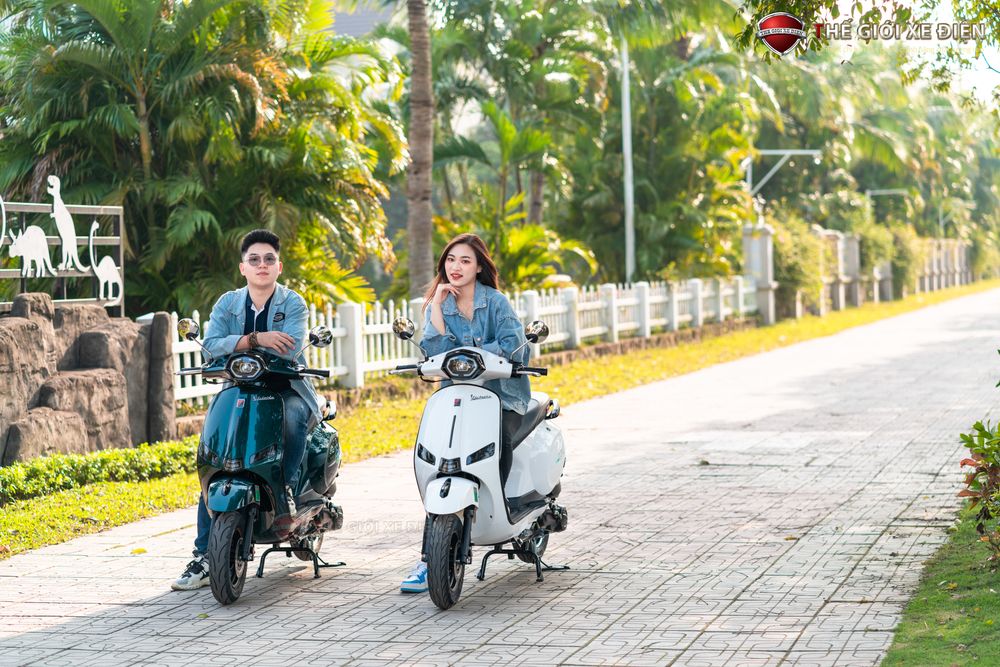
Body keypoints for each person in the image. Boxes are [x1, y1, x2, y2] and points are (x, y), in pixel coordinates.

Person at [172, 229, 323, 591]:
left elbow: (290, 348)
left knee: (294, 419)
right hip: (237, 388)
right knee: (218, 460)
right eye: (254, 259)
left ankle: (287, 488)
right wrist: (257, 339)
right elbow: (212, 346)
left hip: (285, 388)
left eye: (269, 259)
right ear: (243, 267)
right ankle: (204, 555)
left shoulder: (293, 303)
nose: (261, 265)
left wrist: (239, 346)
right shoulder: (227, 304)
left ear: (279, 266)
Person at [400, 233, 531, 594]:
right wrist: (436, 310)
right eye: (451, 260)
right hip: (455, 397)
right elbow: (434, 354)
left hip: (501, 397)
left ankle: (499, 506)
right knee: (440, 460)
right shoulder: (440, 304)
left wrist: (468, 350)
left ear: (479, 267)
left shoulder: (496, 303)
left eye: (465, 261)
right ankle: (429, 558)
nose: (456, 267)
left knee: (498, 443)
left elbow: (515, 349)